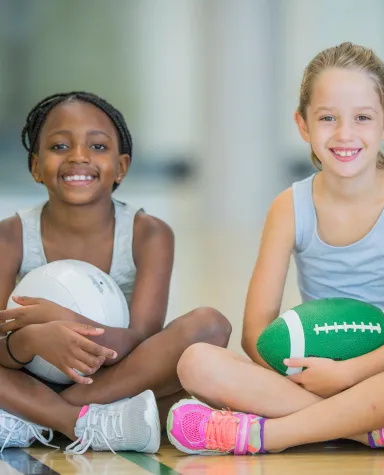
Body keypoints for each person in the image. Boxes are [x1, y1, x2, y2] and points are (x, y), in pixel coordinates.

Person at [167, 42, 384, 455]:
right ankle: (376, 432)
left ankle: (268, 434)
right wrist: (304, 374)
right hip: (313, 375)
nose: (344, 134)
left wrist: (348, 374)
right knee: (195, 362)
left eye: (363, 118)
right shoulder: (290, 207)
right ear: (303, 125)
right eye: (328, 118)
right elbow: (255, 333)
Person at [0, 92, 232, 453]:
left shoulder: (149, 233)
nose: (79, 156)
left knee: (210, 325)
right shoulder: (10, 236)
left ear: (121, 166)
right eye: (60, 145)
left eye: (97, 146)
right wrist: (33, 340)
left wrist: (68, 321)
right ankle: (79, 424)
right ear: (35, 165)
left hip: (114, 378)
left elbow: (141, 340)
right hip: (26, 377)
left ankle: (36, 418)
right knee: (184, 402)